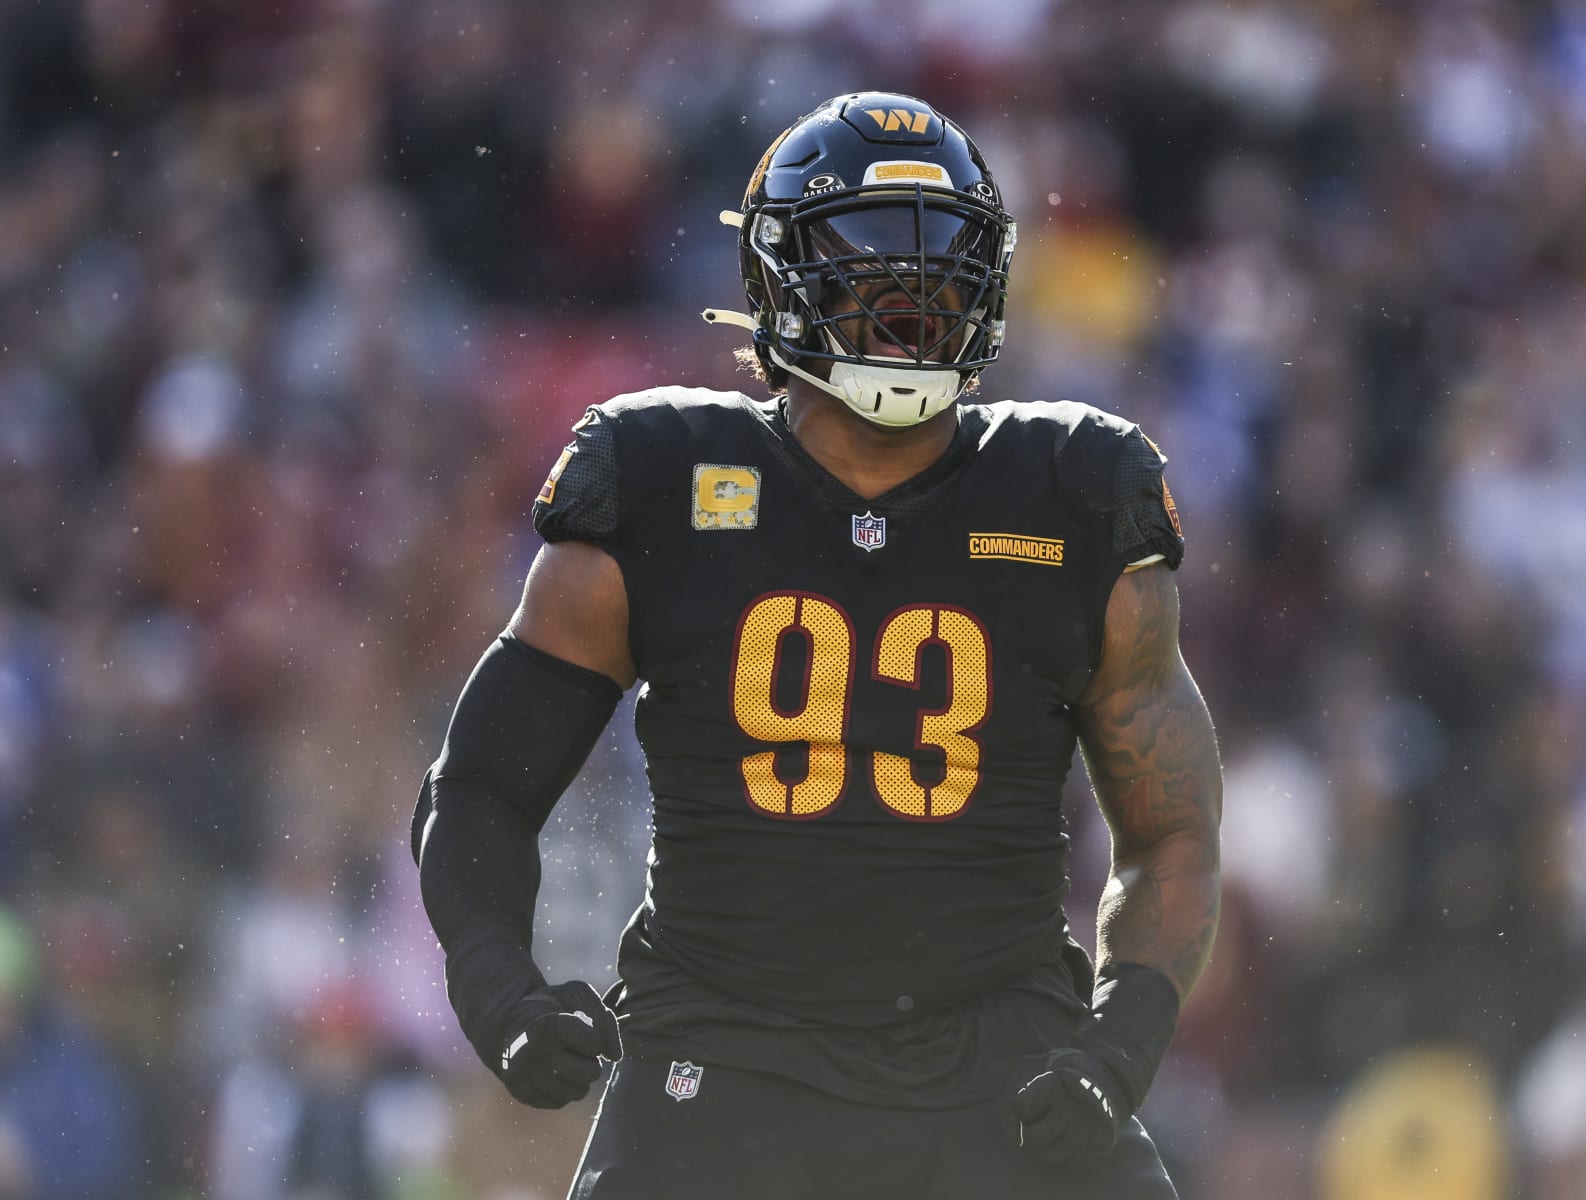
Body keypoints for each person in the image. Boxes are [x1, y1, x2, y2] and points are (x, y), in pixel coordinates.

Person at [412, 90, 1223, 1199]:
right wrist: (500, 994)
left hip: (998, 1061)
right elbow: (479, 791)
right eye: (878, 255)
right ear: (780, 272)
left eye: (946, 258)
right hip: (720, 1058)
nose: (916, 291)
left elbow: (1173, 833)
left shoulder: (1076, 492)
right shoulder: (661, 482)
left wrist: (1115, 1053)